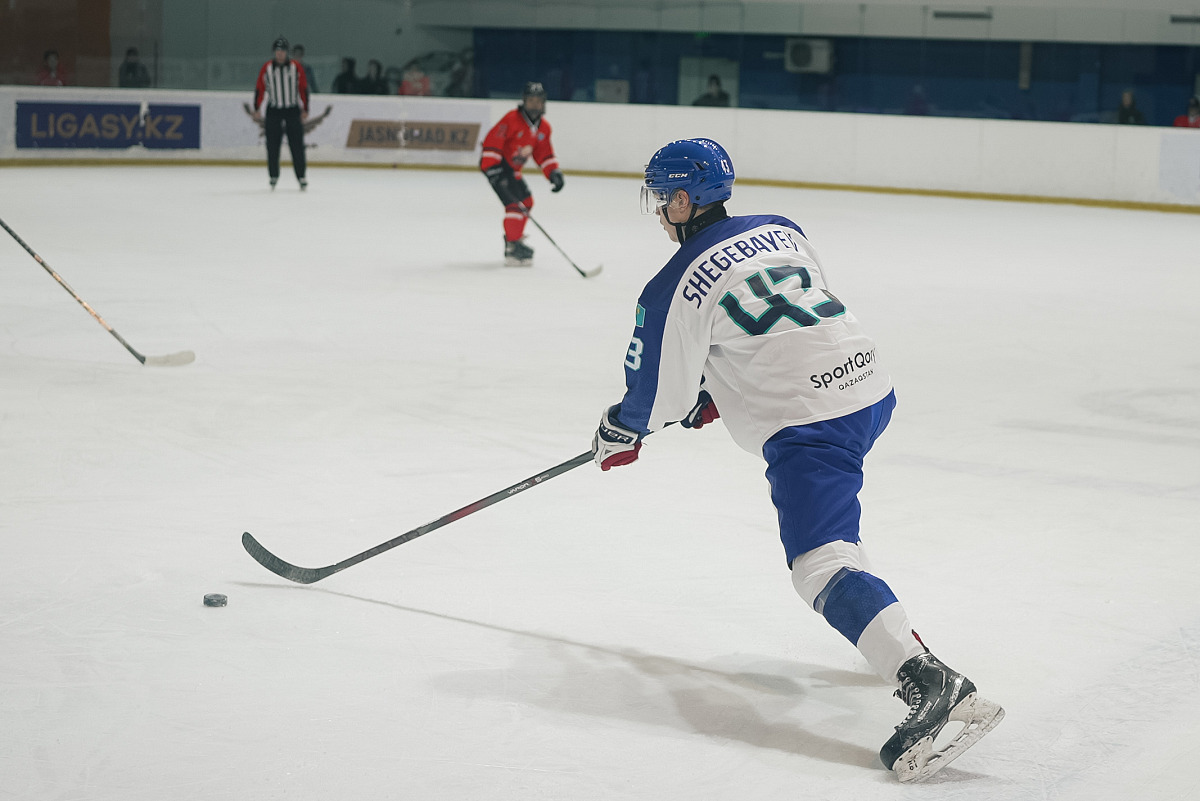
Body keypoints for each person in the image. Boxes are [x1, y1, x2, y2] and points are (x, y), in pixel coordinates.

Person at [591, 138, 1005, 783]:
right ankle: (887, 633)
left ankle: (929, 681)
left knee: (819, 564)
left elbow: (658, 395)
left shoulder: (671, 283)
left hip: (812, 423)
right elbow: (786, 323)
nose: (659, 210)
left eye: (663, 197)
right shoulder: (781, 229)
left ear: (683, 200)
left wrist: (622, 429)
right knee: (835, 533)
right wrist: (718, 393)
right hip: (870, 389)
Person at [478, 82, 565, 266]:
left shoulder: (543, 128)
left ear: (543, 103)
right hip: (498, 168)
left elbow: (544, 154)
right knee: (515, 205)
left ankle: (514, 240)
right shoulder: (511, 119)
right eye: (531, 100)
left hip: (513, 171)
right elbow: (493, 140)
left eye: (538, 101)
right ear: (524, 101)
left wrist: (553, 172)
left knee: (526, 202)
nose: (534, 105)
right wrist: (492, 169)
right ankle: (512, 246)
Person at [251, 36, 310, 191]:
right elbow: (260, 88)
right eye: (277, 51)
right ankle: (273, 175)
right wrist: (257, 107)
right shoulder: (267, 68)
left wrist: (305, 108)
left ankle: (301, 176)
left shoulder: (296, 67)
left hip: (292, 109)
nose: (280, 54)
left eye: (282, 51)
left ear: (286, 52)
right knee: (272, 144)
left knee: (297, 144)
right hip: (274, 109)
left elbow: (303, 87)